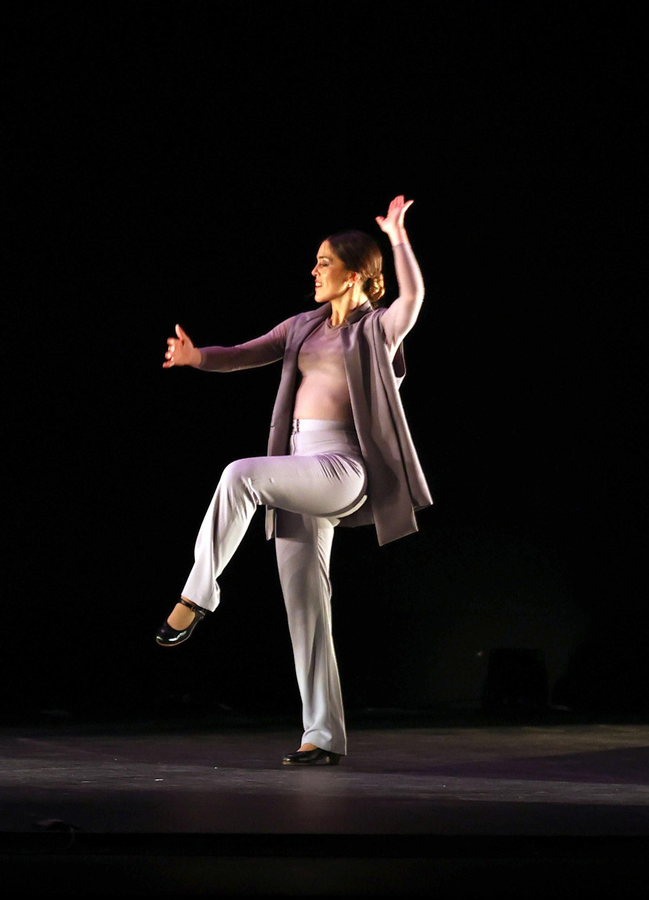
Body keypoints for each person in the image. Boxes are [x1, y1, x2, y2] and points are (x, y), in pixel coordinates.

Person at [157, 196, 430, 767]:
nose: (313, 271)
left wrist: (398, 237)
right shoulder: (303, 327)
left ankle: (198, 595)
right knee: (306, 608)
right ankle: (322, 737)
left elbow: (414, 299)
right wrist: (195, 358)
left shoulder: (376, 330)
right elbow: (241, 354)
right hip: (299, 473)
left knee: (239, 476)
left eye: (324, 263)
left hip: (341, 469)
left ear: (355, 276)